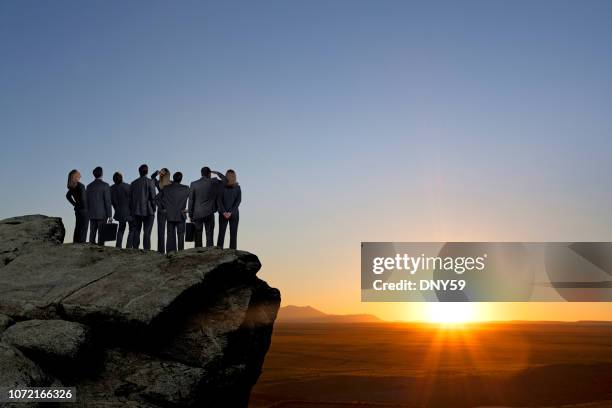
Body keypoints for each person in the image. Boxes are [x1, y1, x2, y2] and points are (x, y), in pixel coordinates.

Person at [188, 167, 227, 247]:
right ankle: (209, 254)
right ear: (209, 174)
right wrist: (217, 173)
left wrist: (190, 214)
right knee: (209, 235)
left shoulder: (194, 184)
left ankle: (198, 253)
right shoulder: (214, 182)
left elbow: (191, 200)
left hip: (197, 213)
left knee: (198, 235)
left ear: (201, 173)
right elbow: (225, 181)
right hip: (209, 212)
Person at [129, 164, 156, 250]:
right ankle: (147, 251)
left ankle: (135, 249)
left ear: (139, 172)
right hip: (148, 211)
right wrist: (154, 208)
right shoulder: (151, 182)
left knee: (137, 231)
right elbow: (153, 198)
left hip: (136, 210)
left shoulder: (133, 183)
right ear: (147, 172)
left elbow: (130, 199)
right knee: (147, 233)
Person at [161, 172, 190, 252]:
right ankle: (180, 254)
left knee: (170, 237)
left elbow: (158, 199)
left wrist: (164, 208)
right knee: (181, 236)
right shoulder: (186, 188)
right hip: (181, 215)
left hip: (170, 215)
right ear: (181, 179)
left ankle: (170, 254)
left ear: (173, 178)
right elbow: (192, 199)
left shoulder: (166, 188)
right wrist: (188, 210)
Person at [86, 166, 112, 246]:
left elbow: (87, 201)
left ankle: (90, 251)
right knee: (101, 235)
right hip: (102, 214)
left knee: (92, 233)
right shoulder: (105, 185)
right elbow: (107, 201)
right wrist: (110, 215)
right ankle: (100, 252)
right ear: (102, 174)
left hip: (91, 213)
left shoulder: (89, 186)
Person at [217, 169, 242, 249]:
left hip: (222, 214)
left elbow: (219, 200)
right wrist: (230, 212)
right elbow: (238, 201)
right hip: (234, 214)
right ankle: (233, 254)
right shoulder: (238, 188)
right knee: (233, 236)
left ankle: (218, 253)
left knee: (221, 234)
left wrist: (224, 212)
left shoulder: (221, 187)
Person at [66, 169, 88, 243]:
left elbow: (67, 196)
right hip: (84, 210)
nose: (80, 175)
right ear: (76, 176)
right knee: (84, 228)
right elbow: (83, 199)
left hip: (77, 209)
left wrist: (74, 204)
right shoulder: (81, 186)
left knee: (78, 227)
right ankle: (81, 243)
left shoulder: (72, 186)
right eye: (79, 174)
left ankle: (75, 242)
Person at [151, 168, 171, 254]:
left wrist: (157, 172)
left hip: (162, 209)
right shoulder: (172, 183)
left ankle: (161, 251)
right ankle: (169, 251)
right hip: (169, 209)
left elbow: (152, 177)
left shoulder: (159, 184)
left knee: (161, 231)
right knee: (168, 231)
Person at [110, 172, 132, 249]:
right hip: (129, 212)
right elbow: (131, 200)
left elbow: (111, 201)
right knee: (132, 229)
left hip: (118, 211)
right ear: (121, 178)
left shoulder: (111, 188)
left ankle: (118, 245)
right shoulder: (128, 186)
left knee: (121, 228)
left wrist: (116, 208)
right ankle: (128, 246)